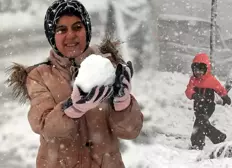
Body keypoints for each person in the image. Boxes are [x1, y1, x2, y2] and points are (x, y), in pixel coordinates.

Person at [5, 0, 143, 167]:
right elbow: (46, 128)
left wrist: (123, 104)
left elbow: (130, 131)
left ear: (87, 30)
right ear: (51, 35)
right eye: (61, 30)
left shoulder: (107, 68)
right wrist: (72, 108)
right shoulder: (39, 77)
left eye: (77, 27)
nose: (71, 35)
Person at [185, 53, 231, 150]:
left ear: (207, 69)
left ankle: (197, 143)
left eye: (201, 70)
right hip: (197, 106)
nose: (198, 72)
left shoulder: (211, 80)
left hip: (208, 106)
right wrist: (194, 95)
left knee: (200, 122)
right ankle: (216, 138)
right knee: (202, 124)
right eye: (196, 70)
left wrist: (225, 97)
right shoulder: (193, 80)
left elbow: (220, 89)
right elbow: (188, 91)